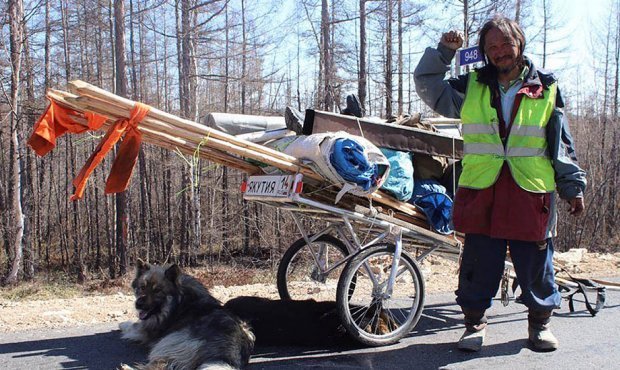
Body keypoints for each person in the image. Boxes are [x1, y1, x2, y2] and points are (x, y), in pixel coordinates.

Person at [414, 15, 587, 352]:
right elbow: (427, 83)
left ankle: (539, 325)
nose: (499, 51)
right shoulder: (471, 85)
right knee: (478, 262)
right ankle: (474, 325)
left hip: (530, 190)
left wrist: (572, 187)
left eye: (505, 44)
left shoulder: (546, 88)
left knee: (536, 263)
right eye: (491, 47)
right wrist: (444, 52)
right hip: (482, 188)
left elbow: (560, 144)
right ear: (485, 52)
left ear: (518, 43)